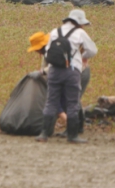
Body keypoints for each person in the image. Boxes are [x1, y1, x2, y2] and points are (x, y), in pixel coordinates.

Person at [36, 9, 97, 144]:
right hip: (71, 71)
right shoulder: (80, 33)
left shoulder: (54, 31)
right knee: (72, 103)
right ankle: (72, 135)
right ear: (79, 23)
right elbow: (93, 50)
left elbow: (47, 52)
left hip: (53, 71)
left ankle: (44, 133)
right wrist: (82, 56)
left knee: (51, 101)